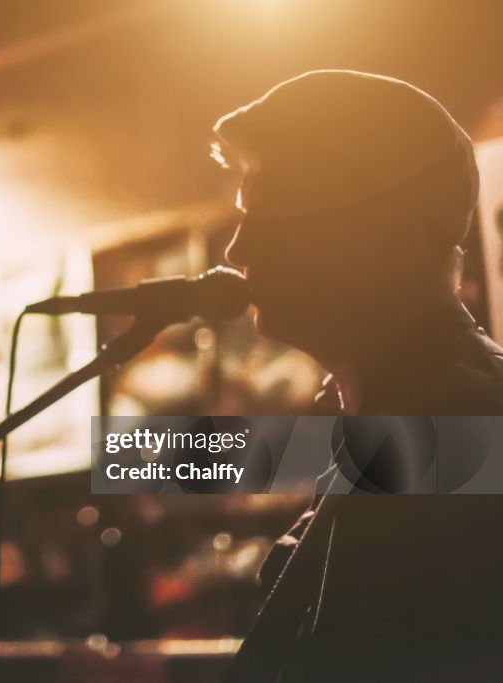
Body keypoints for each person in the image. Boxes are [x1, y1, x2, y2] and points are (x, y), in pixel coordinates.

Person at [213, 70, 503, 681]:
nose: (236, 250)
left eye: (268, 211)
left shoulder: (464, 422)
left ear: (389, 234)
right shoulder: (392, 415)